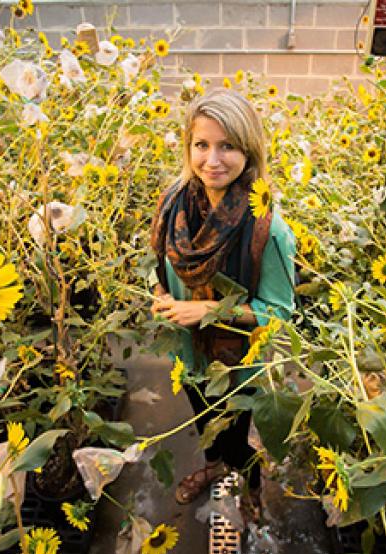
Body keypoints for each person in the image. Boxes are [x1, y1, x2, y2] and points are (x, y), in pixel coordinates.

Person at [149, 89, 296, 524]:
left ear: (249, 152)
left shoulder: (267, 230)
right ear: (188, 147)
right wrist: (160, 292)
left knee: (235, 430)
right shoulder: (175, 202)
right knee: (202, 415)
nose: (212, 159)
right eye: (202, 145)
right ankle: (214, 468)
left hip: (235, 359)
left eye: (227, 146)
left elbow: (279, 312)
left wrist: (208, 312)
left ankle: (251, 488)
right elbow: (159, 263)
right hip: (188, 349)